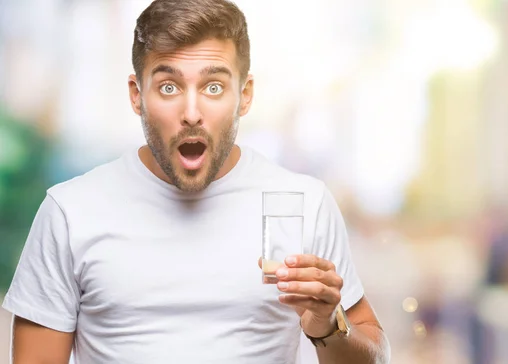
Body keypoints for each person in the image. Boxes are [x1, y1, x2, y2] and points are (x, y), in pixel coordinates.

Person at [2, 0, 390, 363]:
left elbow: (375, 353)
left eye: (214, 87)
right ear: (137, 96)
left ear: (245, 95)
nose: (191, 113)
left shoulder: (304, 202)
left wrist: (327, 326)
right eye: (169, 87)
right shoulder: (71, 212)